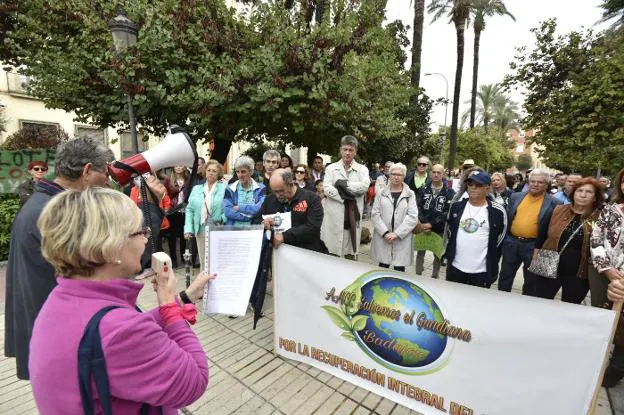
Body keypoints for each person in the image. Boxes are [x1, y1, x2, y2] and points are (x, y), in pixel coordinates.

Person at [30, 187, 212, 413]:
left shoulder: (64, 298)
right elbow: (194, 381)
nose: (146, 239)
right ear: (109, 247)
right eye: (139, 232)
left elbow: (124, 330)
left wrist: (184, 297)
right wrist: (167, 305)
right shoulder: (119, 331)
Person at [4, 137, 114, 380]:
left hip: (45, 324)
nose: (108, 179)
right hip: (60, 335)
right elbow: (89, 272)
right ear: (86, 171)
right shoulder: (58, 211)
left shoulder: (44, 202)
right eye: (105, 171)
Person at [533, 177, 603, 303]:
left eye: (589, 192)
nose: (583, 195)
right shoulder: (558, 210)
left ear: (595, 197)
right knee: (540, 302)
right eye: (579, 191)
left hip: (579, 273)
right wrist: (535, 258)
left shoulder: (600, 219)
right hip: (549, 264)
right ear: (573, 193)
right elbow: (541, 236)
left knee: (570, 307)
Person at [498, 169, 562, 295]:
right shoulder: (516, 197)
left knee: (532, 281)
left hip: (535, 247)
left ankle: (526, 306)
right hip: (512, 242)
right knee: (505, 275)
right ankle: (500, 300)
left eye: (540, 182)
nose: (535, 184)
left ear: (547, 184)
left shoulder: (555, 203)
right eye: (532, 181)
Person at [445, 171, 507, 288]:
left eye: (478, 185)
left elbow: (499, 239)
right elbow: (450, 231)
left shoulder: (497, 211)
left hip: (481, 272)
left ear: (487, 188)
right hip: (456, 268)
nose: (473, 187)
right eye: (470, 183)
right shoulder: (456, 207)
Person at [591, 168, 624, 387]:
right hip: (606, 275)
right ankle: (596, 362)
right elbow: (596, 239)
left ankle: (616, 369)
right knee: (602, 320)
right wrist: (609, 271)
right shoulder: (611, 210)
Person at [321, 135, 370, 259]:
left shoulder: (362, 169)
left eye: (351, 150)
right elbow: (327, 189)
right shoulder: (331, 168)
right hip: (334, 218)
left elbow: (364, 187)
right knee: (332, 254)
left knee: (350, 255)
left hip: (352, 217)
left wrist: (342, 185)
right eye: (345, 149)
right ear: (340, 150)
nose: (347, 153)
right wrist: (345, 196)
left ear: (355, 151)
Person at [261, 169, 324, 251]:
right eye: (274, 191)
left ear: (290, 184)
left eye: (281, 191)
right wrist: (263, 223)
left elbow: (313, 227)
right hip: (277, 253)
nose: (277, 195)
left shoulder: (312, 199)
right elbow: (257, 219)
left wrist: (285, 236)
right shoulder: (269, 199)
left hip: (306, 252)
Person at [370, 163, 418, 272]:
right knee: (382, 268)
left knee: (399, 269)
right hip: (384, 237)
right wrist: (385, 232)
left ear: (404, 176)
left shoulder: (410, 194)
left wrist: (397, 234)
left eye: (399, 175)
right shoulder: (381, 193)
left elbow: (413, 216)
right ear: (389, 175)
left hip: (402, 237)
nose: (396, 177)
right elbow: (375, 213)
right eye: (394, 174)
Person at [184, 160, 227, 271]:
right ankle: (205, 286)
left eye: (214, 171)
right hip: (201, 228)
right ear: (205, 172)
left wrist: (222, 218)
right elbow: (189, 210)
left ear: (219, 174)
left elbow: (229, 208)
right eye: (208, 170)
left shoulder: (225, 189)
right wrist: (188, 229)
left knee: (218, 258)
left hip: (218, 227)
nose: (211, 173)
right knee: (204, 260)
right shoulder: (196, 189)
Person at [415, 164, 455, 278]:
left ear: (443, 174)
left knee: (437, 254)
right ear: (431, 173)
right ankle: (417, 275)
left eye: (439, 172)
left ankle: (434, 276)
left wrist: (431, 224)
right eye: (434, 172)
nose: (436, 174)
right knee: (420, 253)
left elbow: (447, 211)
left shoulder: (449, 192)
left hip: (439, 229)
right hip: (422, 227)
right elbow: (418, 206)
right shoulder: (423, 189)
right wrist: (424, 224)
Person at [130, 173, 171, 269]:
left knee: (157, 244)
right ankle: (149, 266)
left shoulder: (160, 190)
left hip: (156, 220)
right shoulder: (134, 190)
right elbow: (132, 204)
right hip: (143, 219)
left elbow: (166, 201)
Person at [224, 156, 266, 226]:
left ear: (251, 171)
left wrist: (239, 207)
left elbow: (260, 209)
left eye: (243, 172)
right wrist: (248, 217)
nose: (240, 175)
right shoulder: (230, 188)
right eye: (237, 172)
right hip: (233, 230)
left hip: (253, 230)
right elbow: (228, 211)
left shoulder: (261, 188)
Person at [166, 165, 191, 268]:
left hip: (185, 210)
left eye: (181, 165)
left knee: (183, 236)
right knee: (172, 237)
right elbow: (166, 195)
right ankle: (174, 260)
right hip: (173, 210)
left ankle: (183, 258)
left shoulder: (188, 180)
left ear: (184, 167)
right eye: (176, 166)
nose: (178, 167)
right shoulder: (169, 180)